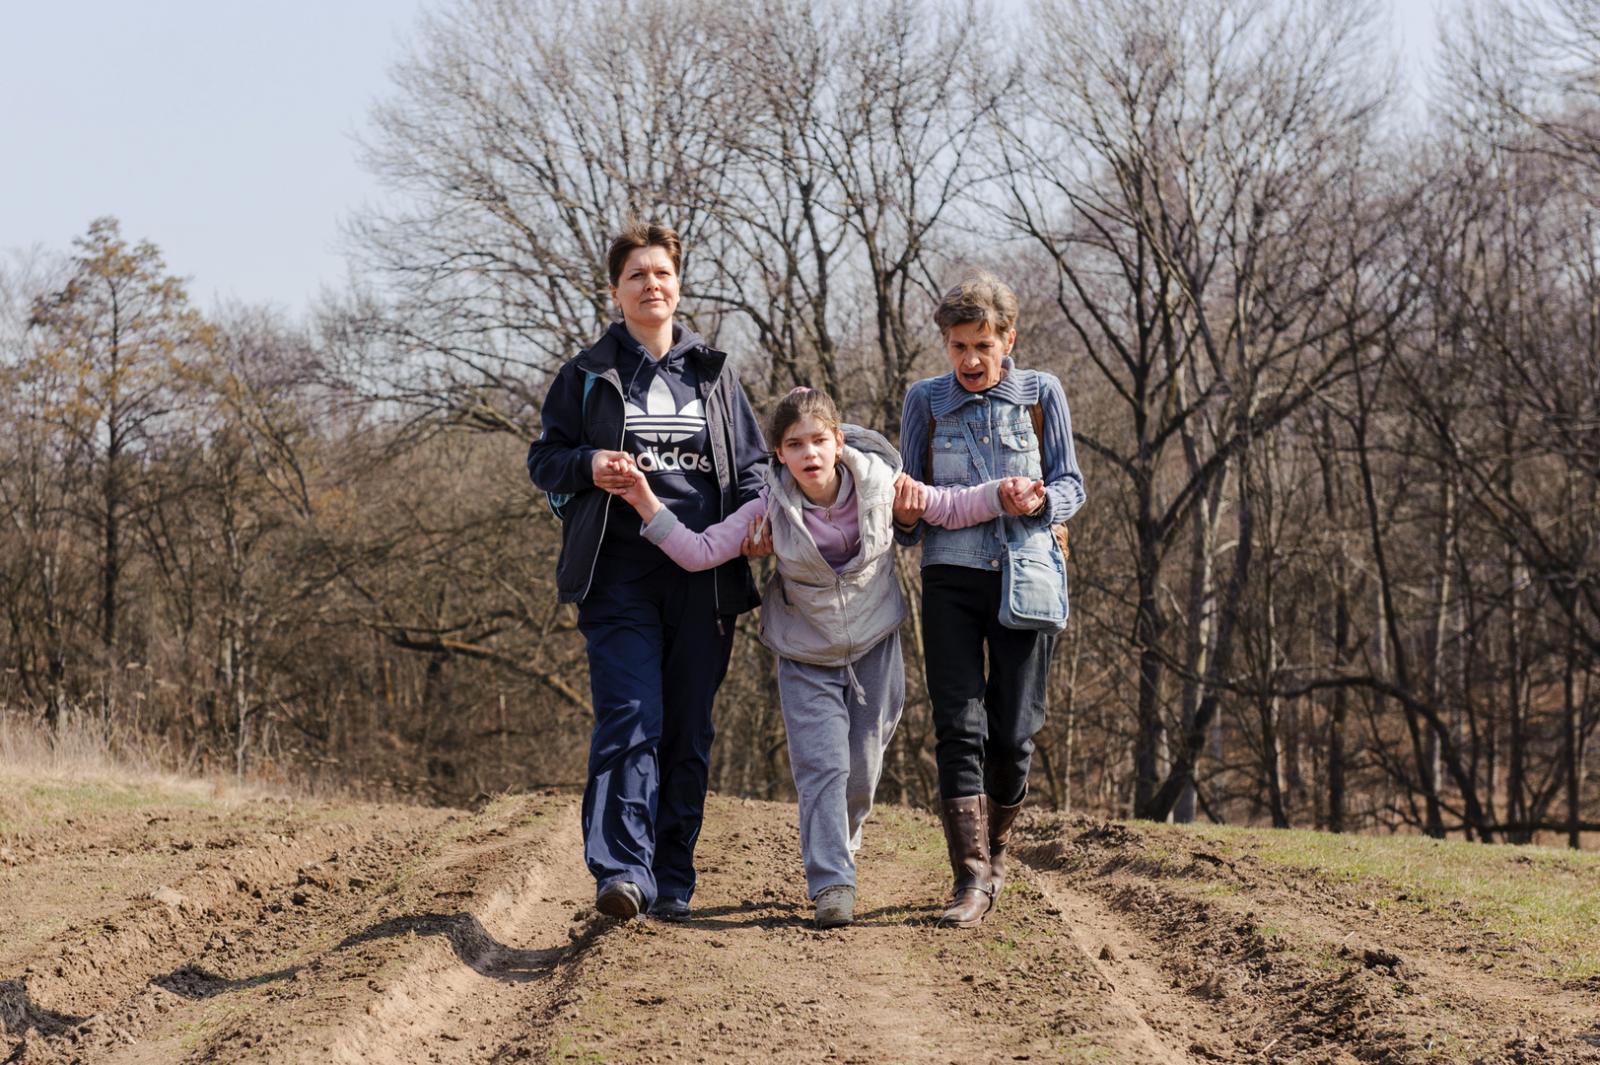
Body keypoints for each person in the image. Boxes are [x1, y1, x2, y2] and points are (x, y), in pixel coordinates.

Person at [603, 387, 1043, 928]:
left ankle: (842, 840)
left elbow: (948, 507)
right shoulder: (766, 508)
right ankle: (832, 882)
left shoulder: (881, 485)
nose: (809, 453)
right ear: (779, 455)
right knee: (823, 769)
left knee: (860, 773)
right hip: (804, 652)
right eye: (794, 444)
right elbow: (700, 551)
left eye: (818, 439)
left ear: (838, 441)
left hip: (875, 647)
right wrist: (645, 500)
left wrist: (1005, 492)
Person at [525, 221, 767, 921]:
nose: (650, 285)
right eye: (637, 275)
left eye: (661, 273)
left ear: (678, 285)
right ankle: (623, 870)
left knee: (687, 726)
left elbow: (753, 470)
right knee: (631, 715)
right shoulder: (587, 373)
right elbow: (544, 460)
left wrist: (754, 522)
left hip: (705, 572)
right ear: (615, 291)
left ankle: (673, 874)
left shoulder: (714, 374)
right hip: (619, 571)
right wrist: (589, 465)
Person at [895, 271, 1086, 928]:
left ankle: (998, 844)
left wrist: (1046, 500)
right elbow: (908, 517)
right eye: (959, 347)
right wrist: (903, 509)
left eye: (983, 345)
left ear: (1009, 339)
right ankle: (970, 875)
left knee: (1014, 733)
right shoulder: (924, 401)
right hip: (949, 578)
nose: (971, 360)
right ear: (945, 344)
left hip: (1026, 575)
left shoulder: (1042, 394)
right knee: (959, 726)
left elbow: (1072, 483)